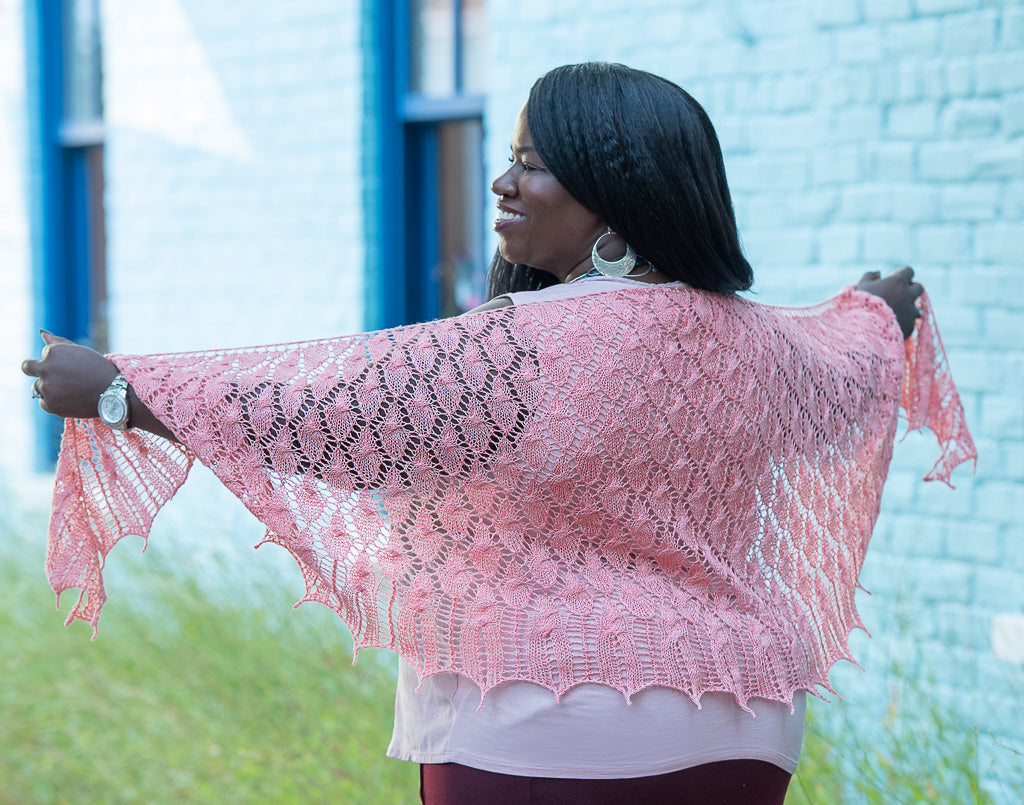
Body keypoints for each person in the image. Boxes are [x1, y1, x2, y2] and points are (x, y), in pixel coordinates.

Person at [23, 63, 972, 805]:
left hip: (542, 732)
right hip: (745, 735)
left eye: (537, 162)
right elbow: (850, 359)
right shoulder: (767, 344)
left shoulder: (510, 351)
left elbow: (318, 413)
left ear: (617, 194)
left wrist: (117, 391)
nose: (504, 179)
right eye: (513, 155)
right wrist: (883, 309)